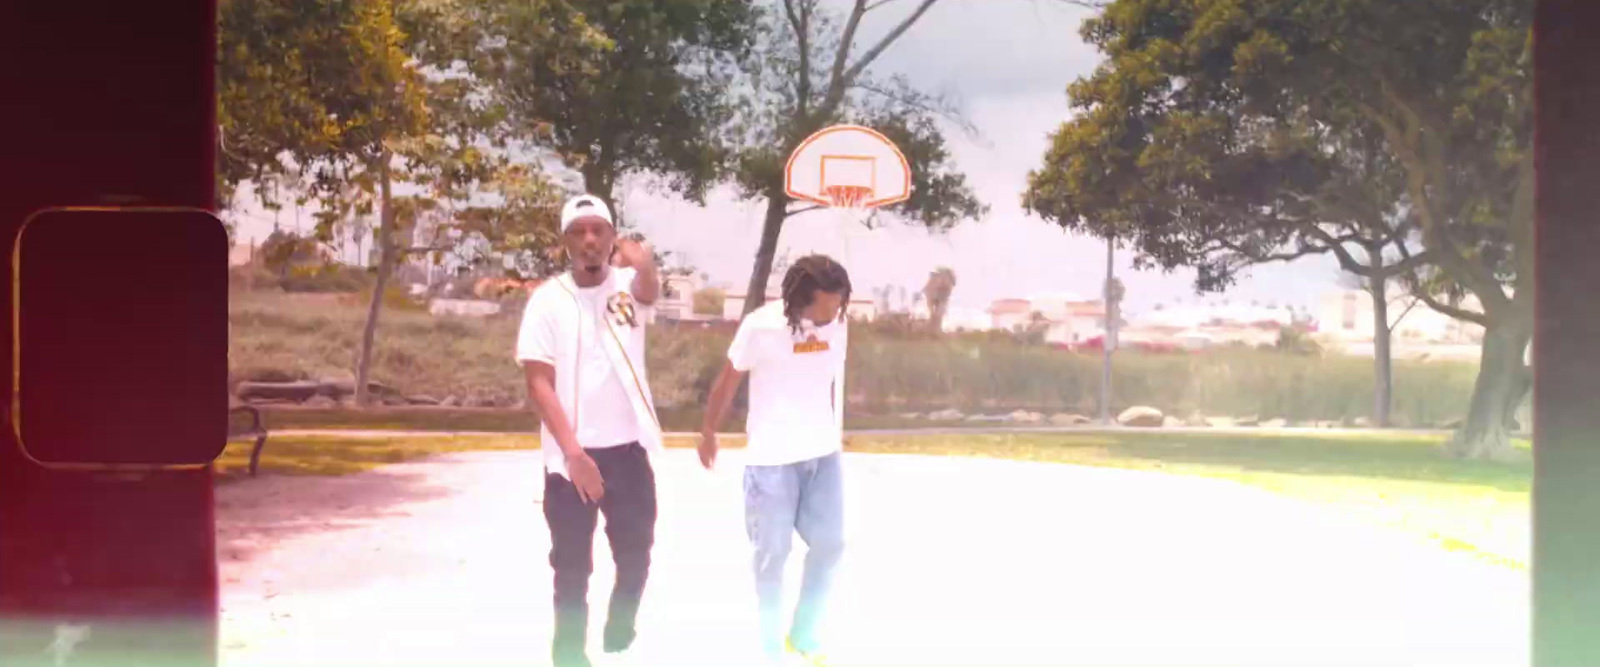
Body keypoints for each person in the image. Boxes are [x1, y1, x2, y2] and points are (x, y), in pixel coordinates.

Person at [516, 194, 662, 667]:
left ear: (612, 237)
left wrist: (645, 264)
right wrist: (574, 454)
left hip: (627, 455)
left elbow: (649, 289)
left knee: (637, 556)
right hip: (569, 461)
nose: (590, 240)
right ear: (566, 242)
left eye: (599, 229)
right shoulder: (547, 301)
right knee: (572, 569)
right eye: (579, 232)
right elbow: (539, 384)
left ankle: (621, 622)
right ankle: (569, 656)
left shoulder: (627, 289)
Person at [699, 254, 852, 666]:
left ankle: (802, 635)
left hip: (822, 457)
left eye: (839, 306)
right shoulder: (760, 327)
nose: (832, 315)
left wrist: (835, 433)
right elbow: (729, 380)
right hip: (771, 459)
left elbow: (831, 381)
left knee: (831, 544)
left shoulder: (839, 322)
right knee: (772, 555)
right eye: (825, 307)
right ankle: (770, 648)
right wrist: (709, 431)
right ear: (801, 298)